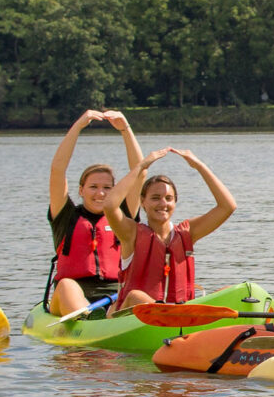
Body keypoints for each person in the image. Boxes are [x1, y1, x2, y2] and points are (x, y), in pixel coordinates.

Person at [100, 149, 236, 312]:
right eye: (155, 198)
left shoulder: (187, 233)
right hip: (134, 316)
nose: (163, 204)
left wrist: (199, 166)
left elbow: (228, 206)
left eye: (168, 198)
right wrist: (142, 165)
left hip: (180, 315)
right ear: (143, 202)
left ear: (175, 202)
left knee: (231, 291)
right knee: (137, 296)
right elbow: (109, 205)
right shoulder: (131, 233)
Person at [43, 110, 144, 316]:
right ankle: (87, 321)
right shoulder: (66, 216)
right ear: (81, 190)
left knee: (139, 295)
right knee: (67, 285)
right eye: (93, 187)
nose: (100, 193)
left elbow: (140, 172)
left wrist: (126, 129)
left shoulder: (122, 215)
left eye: (107, 188)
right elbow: (57, 171)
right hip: (73, 294)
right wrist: (78, 126)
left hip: (114, 295)